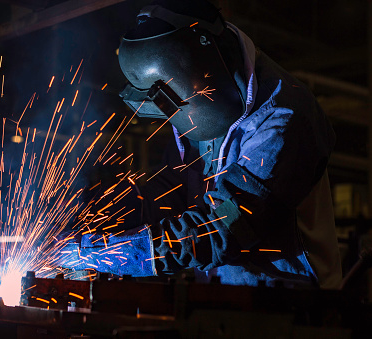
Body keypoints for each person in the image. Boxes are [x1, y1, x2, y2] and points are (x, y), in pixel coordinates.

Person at [58, 0, 342, 289]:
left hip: (294, 306)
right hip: (222, 299)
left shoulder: (283, 118)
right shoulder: (198, 95)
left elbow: (223, 227)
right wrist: (104, 214)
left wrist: (101, 255)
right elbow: (176, 186)